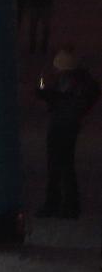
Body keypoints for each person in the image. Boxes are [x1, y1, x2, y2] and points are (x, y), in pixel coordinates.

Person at [36, 49, 99, 219]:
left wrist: (51, 98)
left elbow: (66, 102)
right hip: (62, 124)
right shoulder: (75, 81)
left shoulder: (76, 84)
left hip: (65, 126)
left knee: (63, 167)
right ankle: (61, 204)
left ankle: (65, 205)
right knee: (59, 167)